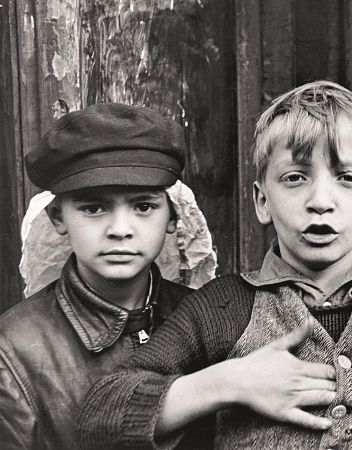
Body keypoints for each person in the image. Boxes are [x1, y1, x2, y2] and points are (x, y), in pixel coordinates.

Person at [78, 80, 352, 449]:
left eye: (346, 178)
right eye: (295, 178)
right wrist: (228, 382)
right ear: (262, 201)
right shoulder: (222, 308)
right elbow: (101, 415)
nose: (321, 201)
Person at [0, 102, 216, 450]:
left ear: (173, 217)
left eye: (143, 206)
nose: (120, 230)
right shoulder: (14, 348)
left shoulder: (209, 318)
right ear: (58, 217)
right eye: (93, 208)